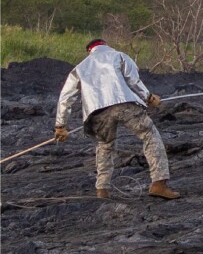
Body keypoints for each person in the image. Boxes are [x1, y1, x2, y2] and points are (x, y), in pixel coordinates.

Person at [54, 39, 180, 200]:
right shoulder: (118, 56)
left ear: (89, 51)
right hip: (124, 104)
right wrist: (148, 97)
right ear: (106, 45)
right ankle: (159, 184)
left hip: (97, 114)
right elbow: (133, 80)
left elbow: (65, 97)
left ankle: (102, 190)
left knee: (105, 146)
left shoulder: (80, 68)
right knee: (149, 135)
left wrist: (60, 126)